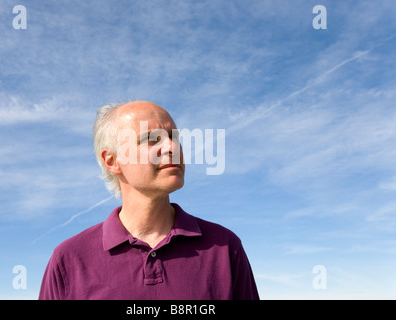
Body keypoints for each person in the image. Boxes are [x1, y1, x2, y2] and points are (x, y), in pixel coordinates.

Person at [39, 101, 259, 300]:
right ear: (113, 161)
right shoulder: (68, 259)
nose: (171, 148)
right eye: (151, 139)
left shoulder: (225, 247)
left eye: (174, 137)